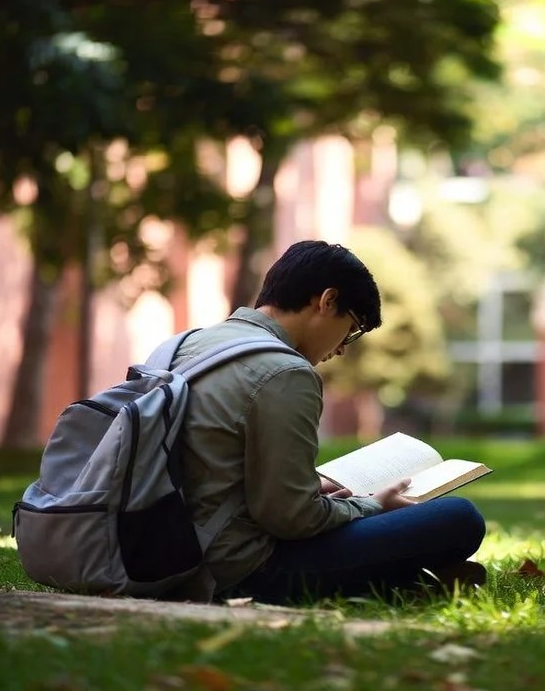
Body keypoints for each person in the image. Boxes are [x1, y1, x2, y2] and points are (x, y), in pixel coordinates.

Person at [167, 240, 487, 604]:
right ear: (327, 301)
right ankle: (410, 578)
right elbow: (292, 520)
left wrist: (309, 487)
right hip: (239, 568)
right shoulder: (285, 372)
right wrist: (372, 505)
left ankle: (410, 579)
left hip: (160, 550)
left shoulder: (186, 346)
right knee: (459, 518)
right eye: (350, 329)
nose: (341, 349)